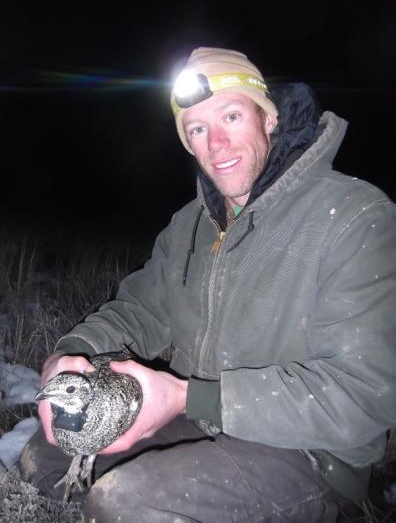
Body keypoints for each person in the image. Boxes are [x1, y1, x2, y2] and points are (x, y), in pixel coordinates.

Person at [19, 47, 396, 522]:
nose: (216, 143)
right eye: (197, 129)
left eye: (232, 116)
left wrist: (186, 397)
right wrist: (68, 355)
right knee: (47, 453)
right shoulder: (189, 225)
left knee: (127, 503)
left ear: (270, 119)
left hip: (309, 451)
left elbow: (367, 395)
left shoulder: (357, 216)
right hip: (197, 418)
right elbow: (140, 310)